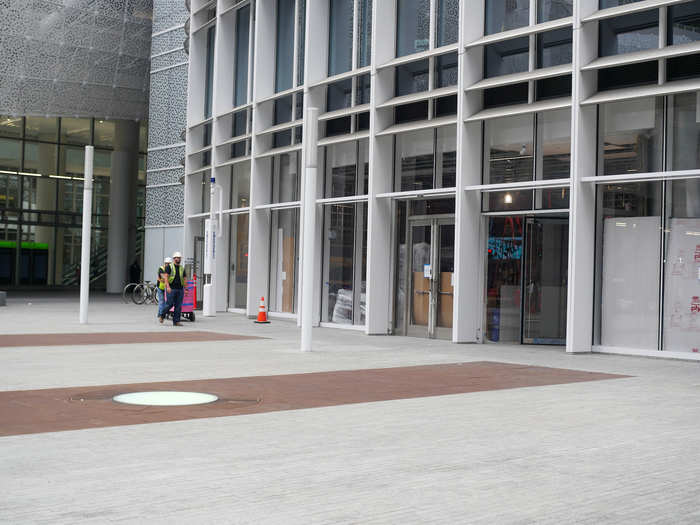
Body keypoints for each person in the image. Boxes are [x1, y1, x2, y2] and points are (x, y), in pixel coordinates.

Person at [160, 251, 186, 326]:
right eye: (177, 258)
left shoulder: (181, 268)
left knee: (178, 305)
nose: (178, 259)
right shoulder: (169, 267)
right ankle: (162, 315)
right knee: (169, 304)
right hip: (171, 288)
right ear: (174, 259)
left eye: (179, 258)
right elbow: (166, 277)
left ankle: (176, 321)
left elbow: (184, 278)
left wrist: (186, 288)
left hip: (180, 289)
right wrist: (167, 286)